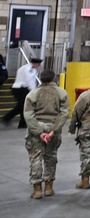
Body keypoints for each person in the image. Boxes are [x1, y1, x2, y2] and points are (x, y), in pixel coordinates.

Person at [23, 69, 69, 198]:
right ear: (53, 78)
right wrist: (54, 130)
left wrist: (38, 132)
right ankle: (49, 187)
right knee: (51, 157)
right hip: (53, 127)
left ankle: (37, 189)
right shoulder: (61, 93)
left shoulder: (32, 94)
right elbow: (64, 112)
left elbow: (28, 114)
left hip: (37, 127)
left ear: (40, 78)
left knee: (35, 157)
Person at [4, 56, 41, 128]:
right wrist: (34, 92)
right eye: (38, 64)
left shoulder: (24, 67)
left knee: (21, 106)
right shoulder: (29, 69)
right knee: (24, 106)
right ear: (35, 63)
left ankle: (7, 118)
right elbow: (30, 81)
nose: (38, 66)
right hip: (21, 89)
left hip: (17, 88)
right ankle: (21, 123)